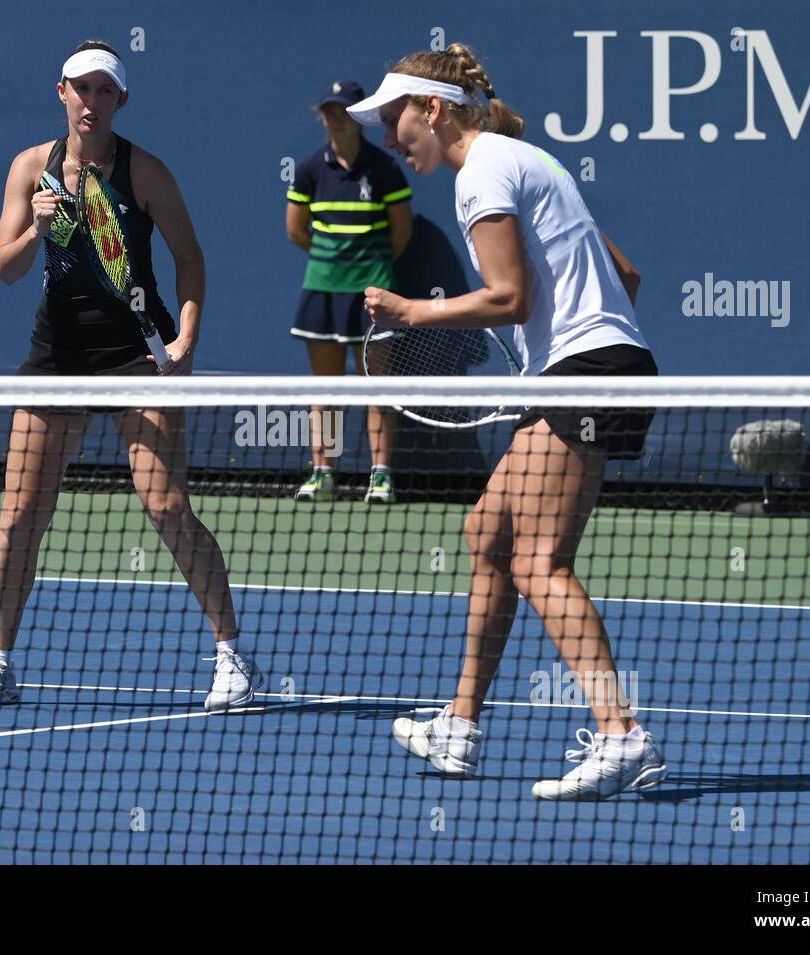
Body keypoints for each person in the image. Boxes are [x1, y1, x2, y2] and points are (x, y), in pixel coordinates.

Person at [347, 43, 669, 800]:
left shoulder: (483, 170)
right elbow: (625, 275)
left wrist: (411, 310)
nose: (392, 138)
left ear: (433, 108)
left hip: (584, 375)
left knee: (538, 563)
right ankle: (459, 724)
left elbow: (510, 299)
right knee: (487, 536)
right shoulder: (523, 159)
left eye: (397, 120)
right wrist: (573, 341)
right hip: (593, 368)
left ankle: (623, 734)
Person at [0, 41, 262, 713]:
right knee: (19, 518)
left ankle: (232, 655)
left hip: (134, 356)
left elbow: (190, 259)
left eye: (104, 91)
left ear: (120, 100)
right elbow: (5, 268)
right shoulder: (29, 168)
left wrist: (186, 339)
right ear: (60, 92)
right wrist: (34, 229)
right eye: (80, 88)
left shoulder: (144, 172)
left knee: (167, 507)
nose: (91, 101)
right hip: (55, 357)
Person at [286, 81, 412, 503]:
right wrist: (334, 261)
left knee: (376, 383)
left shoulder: (384, 167)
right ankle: (322, 471)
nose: (334, 118)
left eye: (343, 110)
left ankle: (380, 475)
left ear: (358, 116)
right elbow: (296, 230)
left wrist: (367, 267)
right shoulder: (308, 168)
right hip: (322, 289)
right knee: (325, 387)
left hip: (373, 291)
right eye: (328, 110)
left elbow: (401, 233)